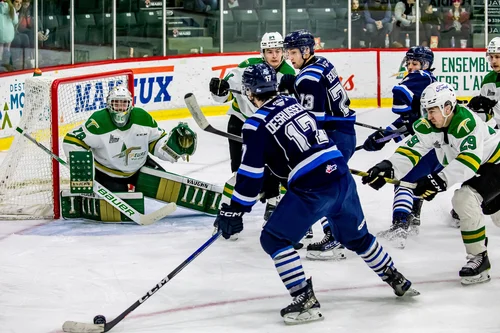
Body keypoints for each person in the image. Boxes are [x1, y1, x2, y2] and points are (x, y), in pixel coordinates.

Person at [214, 62, 419, 324]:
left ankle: (305, 300)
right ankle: (395, 277)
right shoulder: (294, 104)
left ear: (250, 93)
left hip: (313, 187)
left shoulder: (254, 125)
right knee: (356, 237)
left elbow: (250, 176)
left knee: (274, 239)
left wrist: (236, 210)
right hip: (341, 176)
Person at [362, 82, 500, 285]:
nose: (428, 115)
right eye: (426, 110)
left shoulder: (465, 122)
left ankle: (478, 258)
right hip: (480, 168)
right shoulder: (430, 124)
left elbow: (469, 162)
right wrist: (388, 167)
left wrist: (438, 181)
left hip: (494, 163)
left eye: (433, 110)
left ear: (447, 107)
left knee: (464, 199)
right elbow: (412, 149)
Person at [279, 29, 356, 260]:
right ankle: (341, 233)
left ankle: (334, 235)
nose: (289, 58)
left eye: (292, 52)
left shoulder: (307, 78)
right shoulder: (322, 63)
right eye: (287, 53)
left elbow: (313, 122)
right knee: (330, 186)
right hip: (345, 132)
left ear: (305, 50)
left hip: (334, 136)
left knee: (321, 186)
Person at [209, 32, 295, 229]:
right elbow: (222, 97)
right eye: (269, 51)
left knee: (275, 166)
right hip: (240, 123)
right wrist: (218, 90)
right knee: (241, 172)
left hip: (269, 125)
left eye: (278, 51)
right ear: (262, 52)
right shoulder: (245, 68)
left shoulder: (289, 74)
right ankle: (231, 212)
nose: (274, 56)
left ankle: (273, 202)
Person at [362, 46, 438, 248]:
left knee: (404, 179)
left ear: (426, 65)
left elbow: (400, 94)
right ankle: (413, 217)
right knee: (415, 178)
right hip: (428, 143)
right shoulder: (423, 86)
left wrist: (386, 136)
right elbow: (408, 121)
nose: (411, 68)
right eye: (409, 64)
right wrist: (382, 137)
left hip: (433, 144)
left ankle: (400, 225)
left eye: (415, 63)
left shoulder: (424, 79)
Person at [63, 85, 197, 192]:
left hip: (140, 169)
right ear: (109, 105)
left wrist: (172, 150)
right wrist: (79, 165)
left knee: (167, 188)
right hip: (108, 174)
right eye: (116, 103)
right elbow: (72, 140)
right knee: (121, 204)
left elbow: (155, 141)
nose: (120, 108)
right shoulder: (99, 122)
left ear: (130, 104)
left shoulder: (143, 117)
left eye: (124, 103)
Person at [449, 37, 500, 227]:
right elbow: (486, 119)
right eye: (491, 57)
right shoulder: (488, 80)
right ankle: (466, 205)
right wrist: (478, 111)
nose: (494, 61)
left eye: (498, 57)